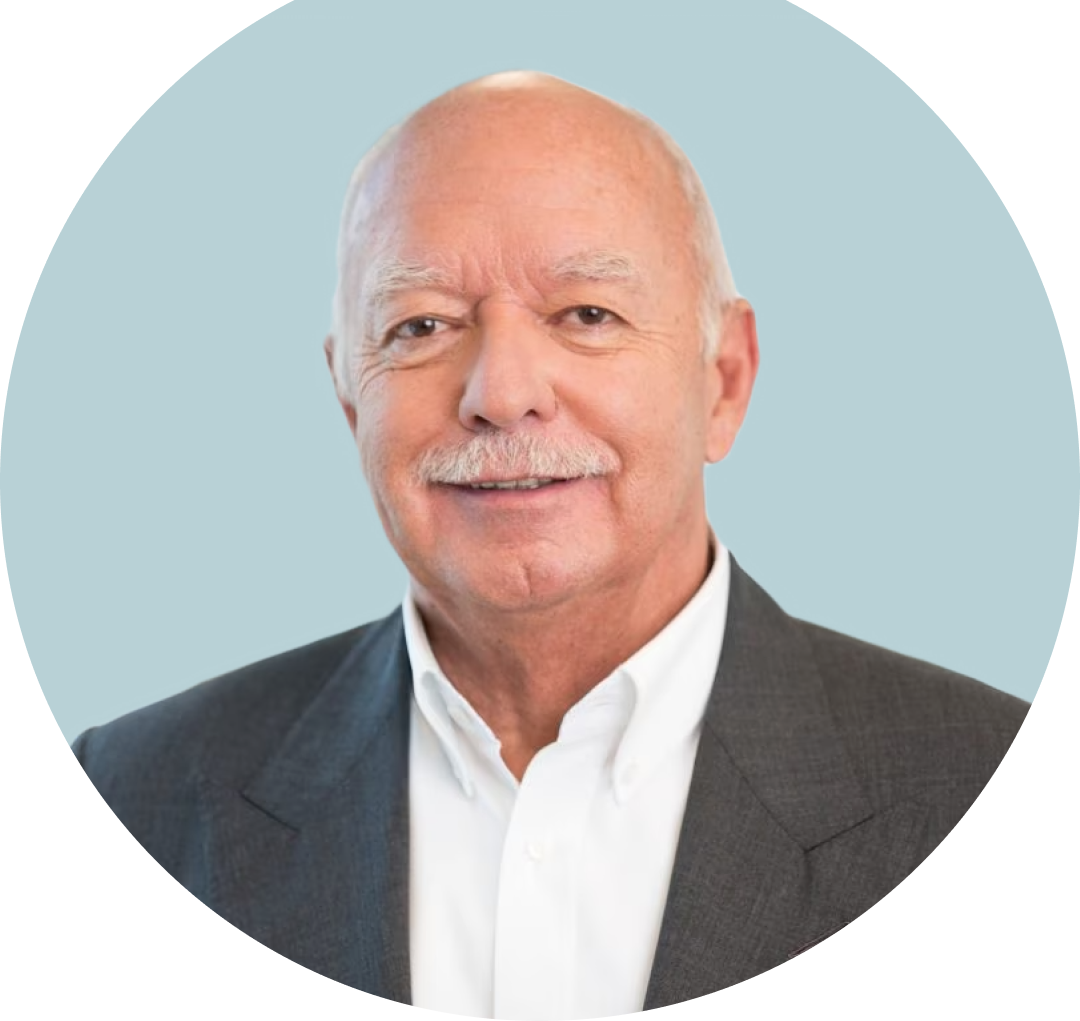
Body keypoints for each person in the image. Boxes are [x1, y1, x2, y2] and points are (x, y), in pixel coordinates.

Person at [73, 72, 1027, 1019]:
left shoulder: (1002, 794)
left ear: (725, 380)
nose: (501, 393)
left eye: (587, 315)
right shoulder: (128, 804)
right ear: (351, 399)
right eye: (421, 325)